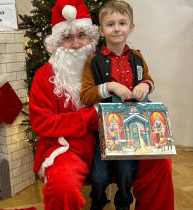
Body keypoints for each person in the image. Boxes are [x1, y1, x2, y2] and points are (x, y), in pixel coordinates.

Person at [80, 1, 174, 210]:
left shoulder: (137, 57)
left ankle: (123, 202)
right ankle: (98, 200)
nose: (116, 28)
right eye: (110, 24)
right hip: (106, 128)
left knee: (125, 170)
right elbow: (86, 95)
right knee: (99, 174)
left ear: (131, 28)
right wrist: (110, 86)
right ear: (101, 30)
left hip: (133, 128)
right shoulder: (94, 61)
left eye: (122, 23)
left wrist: (145, 85)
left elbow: (149, 79)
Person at [29, 0, 100, 209]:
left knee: (158, 164)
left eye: (81, 36)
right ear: (57, 43)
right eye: (67, 38)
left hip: (109, 145)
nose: (77, 44)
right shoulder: (45, 75)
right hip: (66, 150)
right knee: (61, 188)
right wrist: (91, 116)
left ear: (90, 37)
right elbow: (43, 122)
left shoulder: (104, 66)